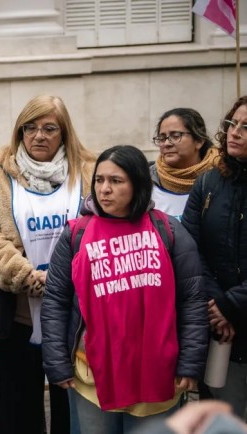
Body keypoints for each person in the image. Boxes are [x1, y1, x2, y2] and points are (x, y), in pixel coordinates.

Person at [42, 145, 209, 434]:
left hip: (157, 373)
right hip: (92, 376)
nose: (104, 189)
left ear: (138, 184)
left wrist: (190, 363)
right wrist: (57, 361)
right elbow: (56, 300)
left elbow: (192, 301)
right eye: (99, 180)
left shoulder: (168, 230)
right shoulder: (77, 233)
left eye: (116, 181)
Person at [0, 95, 94, 434]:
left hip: (78, 317)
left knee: (72, 412)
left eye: (49, 128)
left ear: (64, 133)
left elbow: (103, 230)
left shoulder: (89, 171)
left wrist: (67, 280)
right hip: (18, 316)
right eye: (29, 128)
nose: (38, 136)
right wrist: (29, 277)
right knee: (18, 412)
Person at [183, 95, 247, 421]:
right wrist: (216, 306)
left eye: (246, 127)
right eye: (233, 123)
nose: (235, 132)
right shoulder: (208, 182)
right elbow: (190, 249)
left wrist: (231, 305)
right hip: (221, 329)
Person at [150, 108, 218, 221]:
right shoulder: (146, 182)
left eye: (175, 136)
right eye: (162, 138)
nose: (166, 143)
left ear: (199, 141)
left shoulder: (223, 178)